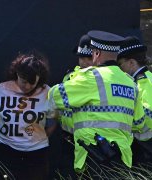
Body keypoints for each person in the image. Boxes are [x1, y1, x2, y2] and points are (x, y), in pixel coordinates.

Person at [48, 30, 145, 179]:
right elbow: (139, 123)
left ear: (97, 53)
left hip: (93, 156)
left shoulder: (93, 77)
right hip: (122, 158)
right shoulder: (130, 83)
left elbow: (55, 96)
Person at [0, 51, 55, 180]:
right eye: (24, 82)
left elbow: (52, 122)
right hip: (5, 148)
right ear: (17, 74)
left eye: (32, 82)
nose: (28, 86)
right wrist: (9, 133)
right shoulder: (2, 89)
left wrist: (37, 138)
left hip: (36, 153)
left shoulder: (47, 92)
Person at [117, 36, 152, 177]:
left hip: (148, 150)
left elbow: (149, 117)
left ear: (131, 62)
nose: (120, 70)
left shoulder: (143, 82)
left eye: (121, 64)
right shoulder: (150, 78)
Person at [55, 34, 94, 180]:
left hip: (90, 141)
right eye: (81, 57)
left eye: (88, 58)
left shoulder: (99, 81)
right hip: (68, 138)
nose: (84, 62)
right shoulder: (69, 78)